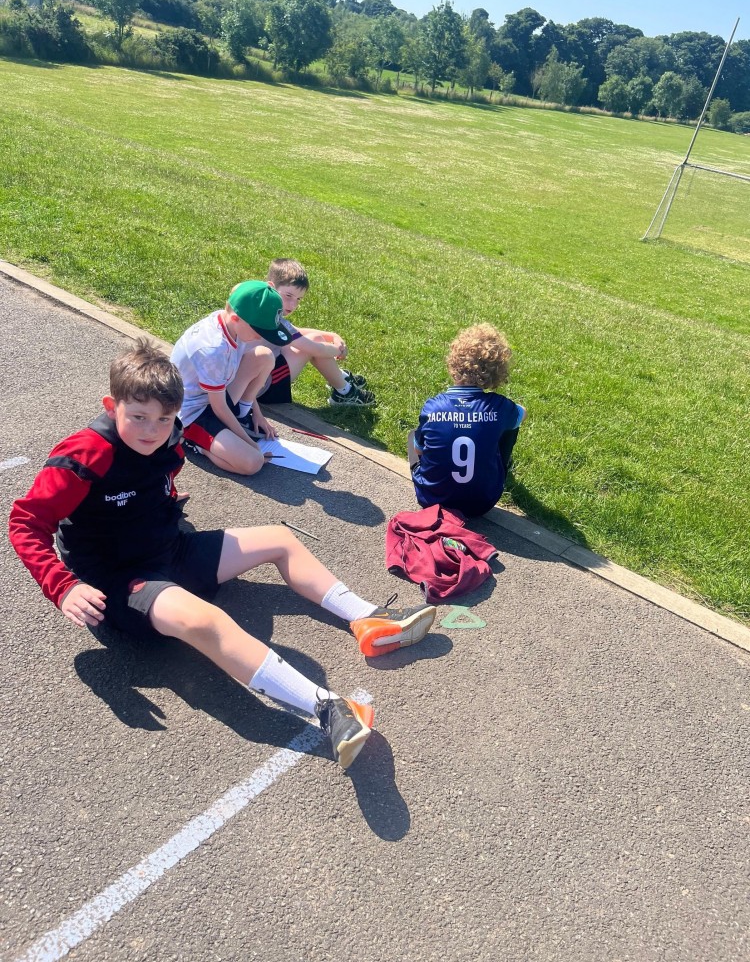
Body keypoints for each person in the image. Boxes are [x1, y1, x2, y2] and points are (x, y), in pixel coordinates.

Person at [8, 340, 437, 769]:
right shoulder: (84, 455)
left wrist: (164, 504)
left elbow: (155, 480)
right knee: (205, 621)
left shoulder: (171, 436)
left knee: (280, 539)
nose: (151, 430)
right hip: (121, 579)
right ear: (111, 405)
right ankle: (328, 708)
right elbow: (25, 523)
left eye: (163, 418)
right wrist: (63, 587)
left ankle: (368, 617)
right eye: (138, 417)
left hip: (170, 549)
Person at [170, 280, 295, 477]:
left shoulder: (231, 323)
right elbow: (219, 407)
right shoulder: (213, 349)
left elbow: (228, 382)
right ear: (237, 318)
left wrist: (257, 414)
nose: (261, 337)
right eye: (259, 331)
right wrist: (251, 443)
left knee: (264, 356)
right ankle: (195, 443)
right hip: (192, 414)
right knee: (253, 462)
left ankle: (239, 417)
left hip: (213, 397)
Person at [409, 324, 526, 519]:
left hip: (432, 501)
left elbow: (419, 451)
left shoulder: (433, 406)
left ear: (454, 363)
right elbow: (523, 413)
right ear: (496, 371)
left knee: (413, 436)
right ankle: (502, 465)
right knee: (512, 421)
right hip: (482, 504)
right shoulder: (499, 406)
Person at [256, 258, 376, 408]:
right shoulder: (271, 318)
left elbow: (293, 331)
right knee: (315, 341)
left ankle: (340, 377)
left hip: (254, 379)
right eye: (288, 296)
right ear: (271, 287)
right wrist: (338, 350)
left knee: (309, 340)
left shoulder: (261, 306)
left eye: (299, 299)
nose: (293, 305)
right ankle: (345, 392)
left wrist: (332, 335)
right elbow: (315, 348)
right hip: (262, 389)